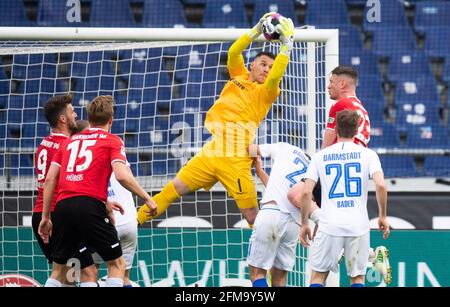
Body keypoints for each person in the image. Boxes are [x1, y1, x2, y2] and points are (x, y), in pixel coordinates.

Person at [137, 13, 295, 227]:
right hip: (212, 152)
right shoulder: (238, 76)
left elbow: (276, 76)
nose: (267, 69)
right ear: (252, 65)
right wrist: (256, 30)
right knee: (172, 189)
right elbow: (233, 51)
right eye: (263, 64)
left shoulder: (266, 93)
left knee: (252, 217)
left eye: (270, 66)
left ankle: (267, 257)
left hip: (237, 159)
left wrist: (286, 46)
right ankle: (131, 224)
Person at [38, 95, 157, 287]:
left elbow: (51, 178)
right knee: (116, 265)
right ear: (111, 120)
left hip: (62, 207)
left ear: (89, 118)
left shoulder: (68, 142)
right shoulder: (112, 141)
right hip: (90, 207)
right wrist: (147, 198)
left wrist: (46, 217)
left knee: (60, 271)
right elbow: (121, 175)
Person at [299, 110, 390, 287]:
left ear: (336, 129)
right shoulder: (368, 154)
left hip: (329, 225)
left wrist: (304, 224)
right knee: (357, 279)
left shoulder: (320, 156)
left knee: (318, 277)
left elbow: (305, 192)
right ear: (357, 130)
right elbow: (380, 185)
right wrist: (383, 216)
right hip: (358, 225)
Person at [32, 95, 97, 286]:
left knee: (66, 275)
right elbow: (73, 183)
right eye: (71, 111)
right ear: (62, 119)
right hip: (57, 216)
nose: (75, 114)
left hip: (41, 213)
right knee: (89, 273)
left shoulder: (44, 144)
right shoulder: (67, 146)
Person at [75, 120, 138, 287]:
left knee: (89, 273)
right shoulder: (113, 146)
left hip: (102, 223)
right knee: (123, 275)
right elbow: (127, 177)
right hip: (129, 220)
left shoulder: (77, 161)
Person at [246, 142, 319, 287]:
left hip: (271, 212)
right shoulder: (313, 170)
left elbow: (251, 149)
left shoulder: (285, 148)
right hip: (294, 223)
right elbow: (286, 190)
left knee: (257, 273)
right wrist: (259, 172)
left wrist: (251, 154)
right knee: (279, 278)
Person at [322, 65, 370, 149]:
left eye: (331, 82)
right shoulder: (361, 108)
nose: (328, 86)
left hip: (343, 156)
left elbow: (328, 141)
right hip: (360, 156)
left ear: (342, 84)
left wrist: (319, 158)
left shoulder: (341, 104)